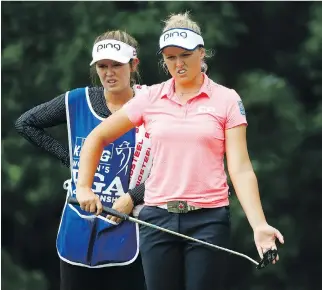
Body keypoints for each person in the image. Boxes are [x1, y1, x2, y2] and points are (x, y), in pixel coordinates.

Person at [74, 12, 284, 290]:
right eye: (170, 57)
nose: (178, 63)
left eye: (185, 55)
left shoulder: (227, 99)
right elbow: (96, 137)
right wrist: (84, 187)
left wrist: (259, 225)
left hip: (208, 220)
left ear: (201, 53)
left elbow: (240, 168)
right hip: (157, 218)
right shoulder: (150, 97)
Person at [14, 30, 151, 290]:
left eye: (116, 65)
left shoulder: (153, 105)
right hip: (78, 228)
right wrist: (70, 160)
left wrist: (134, 196)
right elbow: (26, 124)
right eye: (102, 66)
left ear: (134, 65)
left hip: (130, 229)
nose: (109, 73)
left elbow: (169, 167)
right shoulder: (78, 100)